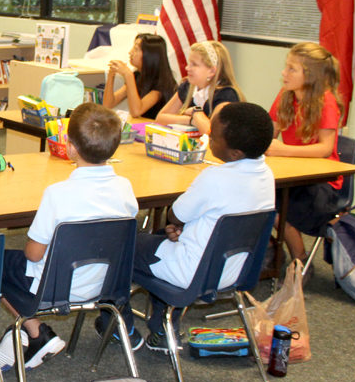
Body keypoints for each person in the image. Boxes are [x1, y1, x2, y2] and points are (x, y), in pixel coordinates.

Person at [0, 103, 139, 370]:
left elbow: (34, 253)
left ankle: (36, 332)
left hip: (54, 288)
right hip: (105, 285)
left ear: (71, 147)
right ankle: (33, 334)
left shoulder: (58, 194)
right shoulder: (126, 188)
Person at [118, 102, 275, 352]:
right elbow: (213, 223)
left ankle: (118, 326)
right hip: (233, 270)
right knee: (159, 240)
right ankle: (161, 327)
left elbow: (175, 214)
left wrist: (181, 227)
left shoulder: (215, 177)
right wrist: (185, 230)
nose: (208, 136)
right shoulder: (266, 176)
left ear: (234, 153)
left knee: (121, 245)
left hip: (192, 273)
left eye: (214, 135)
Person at [265, 42, 343, 262]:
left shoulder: (325, 102)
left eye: (292, 69)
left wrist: (283, 150)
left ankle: (299, 260)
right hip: (290, 174)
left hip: (320, 182)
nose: (284, 73)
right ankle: (271, 253)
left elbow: (326, 148)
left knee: (278, 207)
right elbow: (271, 131)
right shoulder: (286, 95)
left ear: (310, 76)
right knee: (259, 197)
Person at [155, 40, 242, 135]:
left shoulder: (226, 95)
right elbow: (160, 118)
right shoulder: (188, 86)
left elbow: (212, 133)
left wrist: (196, 112)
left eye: (194, 64)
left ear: (212, 71)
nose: (187, 68)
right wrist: (191, 120)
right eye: (189, 63)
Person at [103, 33, 177, 119]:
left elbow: (136, 111)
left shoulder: (161, 82)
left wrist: (128, 75)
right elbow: (108, 104)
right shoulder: (137, 75)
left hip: (156, 129)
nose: (130, 52)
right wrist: (111, 76)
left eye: (136, 49)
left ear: (149, 55)